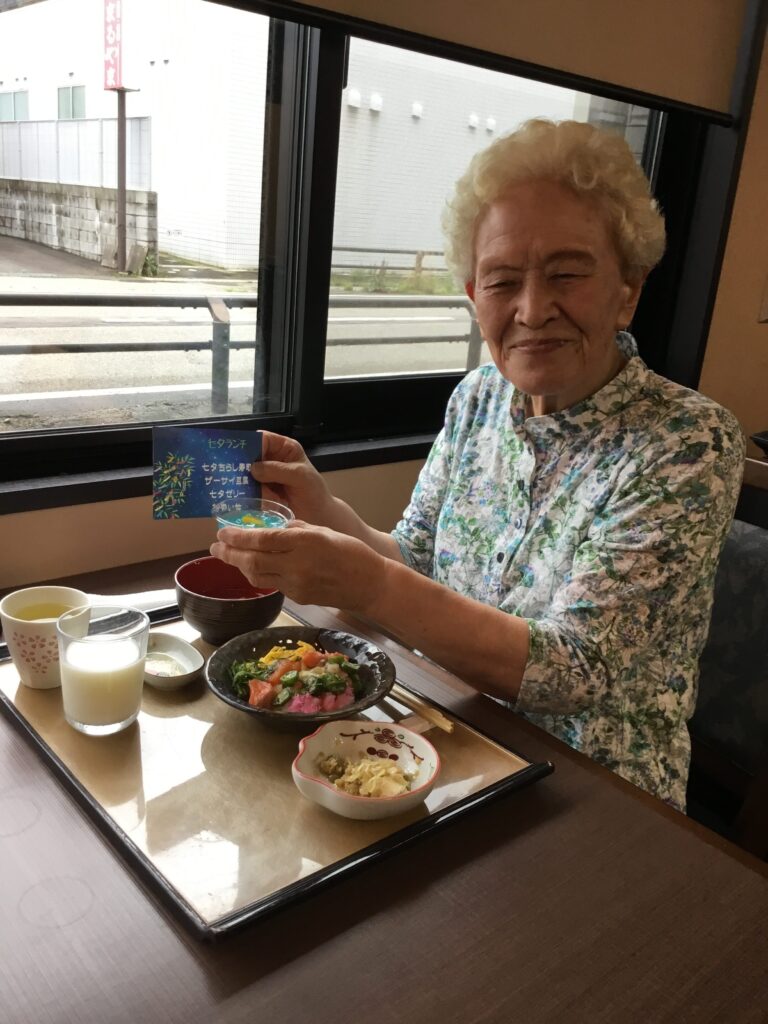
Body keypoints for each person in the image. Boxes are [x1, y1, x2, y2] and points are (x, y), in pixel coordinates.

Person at [211, 119, 744, 810]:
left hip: (597, 793)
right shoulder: (479, 397)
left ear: (628, 288)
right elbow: (413, 558)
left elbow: (574, 670)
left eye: (567, 273)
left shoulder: (688, 441)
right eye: (502, 281)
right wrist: (317, 503)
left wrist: (367, 585)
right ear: (473, 295)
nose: (533, 309)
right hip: (448, 736)